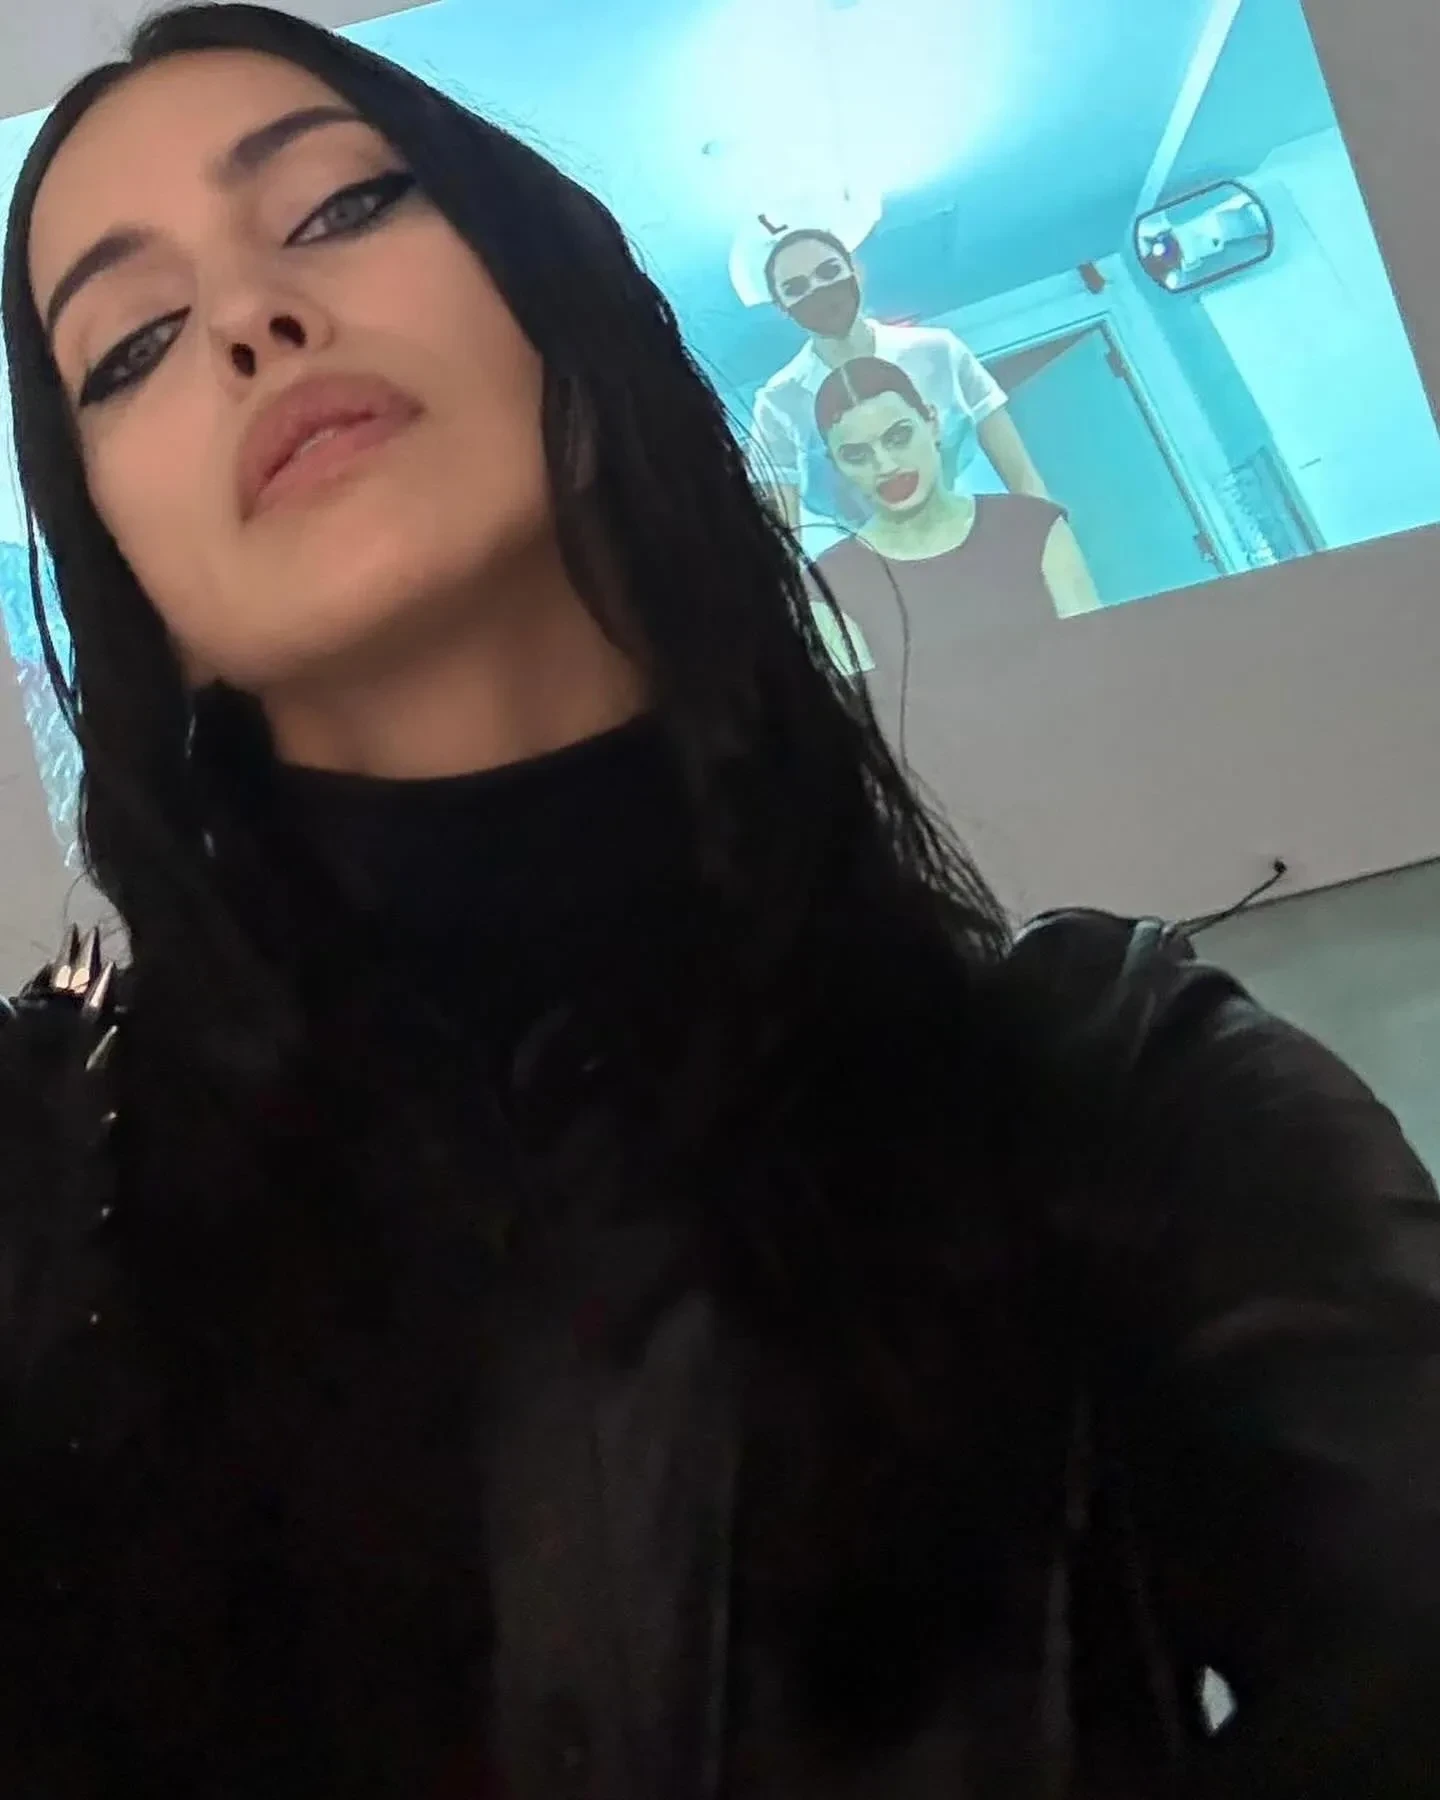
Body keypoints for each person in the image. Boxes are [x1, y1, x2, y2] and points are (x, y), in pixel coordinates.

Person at [4, 8, 1440, 1797]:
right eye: (132, 343)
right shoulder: (48, 1197)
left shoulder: (1106, 1086)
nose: (247, 318)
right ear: (122, 579)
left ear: (569, 319)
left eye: (342, 208)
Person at [811, 357, 1099, 799]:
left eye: (898, 437)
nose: (885, 465)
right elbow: (874, 742)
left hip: (1080, 775)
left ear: (931, 421)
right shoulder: (829, 582)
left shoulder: (1033, 528)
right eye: (857, 455)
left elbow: (1098, 672)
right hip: (946, 808)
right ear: (836, 465)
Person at [750, 226, 1048, 535]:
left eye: (829, 272)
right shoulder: (778, 402)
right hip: (865, 553)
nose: (818, 290)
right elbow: (784, 531)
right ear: (781, 307)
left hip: (957, 530)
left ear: (856, 272)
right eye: (796, 288)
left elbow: (1023, 477)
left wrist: (1051, 540)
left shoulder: (938, 352)